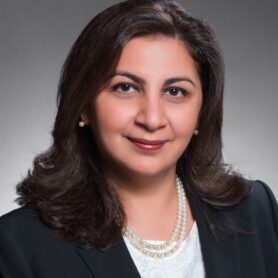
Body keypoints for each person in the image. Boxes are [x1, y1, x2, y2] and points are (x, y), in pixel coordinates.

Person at [0, 0, 277, 277]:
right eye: (126, 87)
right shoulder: (18, 245)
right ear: (83, 104)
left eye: (175, 91)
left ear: (202, 111)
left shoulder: (256, 211)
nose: (152, 119)